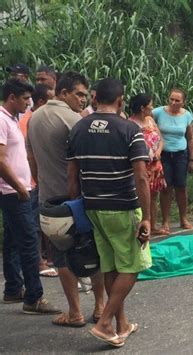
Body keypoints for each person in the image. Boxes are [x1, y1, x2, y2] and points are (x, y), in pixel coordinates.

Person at [67, 78, 151, 347]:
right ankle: (105, 323)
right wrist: (147, 216)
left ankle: (121, 323)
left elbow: (72, 176)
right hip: (122, 207)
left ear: (94, 99)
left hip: (92, 207)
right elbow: (141, 177)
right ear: (120, 101)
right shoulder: (129, 129)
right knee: (135, 265)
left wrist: (77, 208)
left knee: (112, 264)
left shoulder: (78, 129)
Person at [27, 72, 105, 327]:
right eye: (79, 94)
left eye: (85, 95)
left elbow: (32, 158)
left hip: (49, 198)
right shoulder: (75, 120)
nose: (83, 100)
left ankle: (75, 312)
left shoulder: (34, 117)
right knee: (93, 250)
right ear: (63, 93)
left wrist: (40, 182)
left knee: (61, 256)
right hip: (78, 199)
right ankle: (100, 307)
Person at [0, 78, 60, 314]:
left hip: (18, 190)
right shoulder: (2, 119)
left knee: (14, 241)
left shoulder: (11, 119)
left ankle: (14, 289)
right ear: (12, 97)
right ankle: (34, 298)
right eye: (25, 99)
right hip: (14, 192)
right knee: (29, 242)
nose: (28, 103)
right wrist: (19, 187)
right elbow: (1, 159)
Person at [19, 84, 57, 277]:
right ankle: (39, 262)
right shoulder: (31, 121)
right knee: (33, 224)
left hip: (38, 179)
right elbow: (29, 154)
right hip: (31, 181)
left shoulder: (37, 119)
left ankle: (49, 258)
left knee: (43, 222)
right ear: (42, 102)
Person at [152, 88, 193, 235]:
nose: (173, 102)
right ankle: (165, 221)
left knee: (181, 187)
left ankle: (183, 218)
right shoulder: (158, 112)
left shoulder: (187, 115)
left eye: (177, 100)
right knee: (166, 188)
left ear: (183, 102)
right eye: (171, 99)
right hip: (163, 154)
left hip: (180, 154)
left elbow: (190, 138)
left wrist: (192, 158)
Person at [130, 93, 166, 234]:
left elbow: (161, 138)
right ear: (142, 107)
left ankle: (153, 225)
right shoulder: (131, 124)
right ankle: (142, 226)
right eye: (150, 104)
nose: (152, 107)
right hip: (142, 165)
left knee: (154, 196)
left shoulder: (150, 120)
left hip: (155, 164)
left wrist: (158, 151)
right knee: (142, 195)